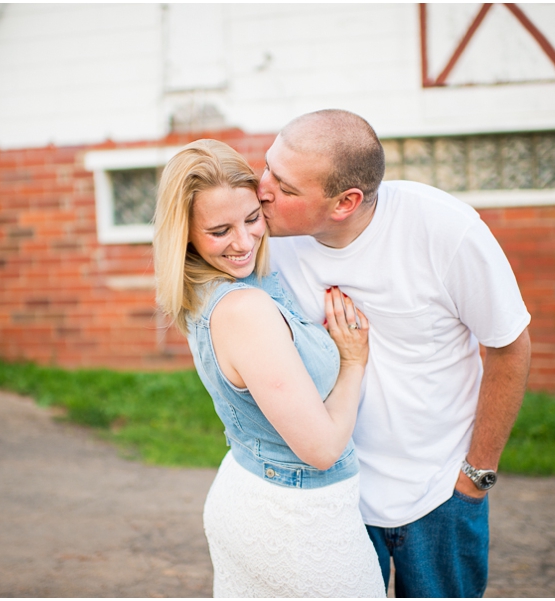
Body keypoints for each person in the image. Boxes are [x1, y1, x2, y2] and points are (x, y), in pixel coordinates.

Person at [259, 109, 533, 598]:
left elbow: (508, 345)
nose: (262, 190)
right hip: (331, 495)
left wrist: (476, 476)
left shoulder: (444, 229)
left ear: (345, 202)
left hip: (439, 496)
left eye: (285, 186)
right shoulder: (263, 242)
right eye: (266, 168)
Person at [152, 139, 386, 598]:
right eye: (220, 230)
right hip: (295, 521)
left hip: (262, 494)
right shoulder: (245, 310)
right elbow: (319, 449)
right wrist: (353, 361)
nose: (244, 241)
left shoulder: (221, 281)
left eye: (252, 219)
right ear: (186, 236)